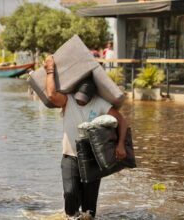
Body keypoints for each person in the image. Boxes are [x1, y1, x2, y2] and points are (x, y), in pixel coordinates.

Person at [44, 56, 127, 218]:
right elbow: (52, 95)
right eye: (79, 99)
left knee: (89, 210)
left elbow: (122, 121)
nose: (80, 102)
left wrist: (121, 145)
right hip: (70, 157)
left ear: (92, 97)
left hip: (92, 160)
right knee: (70, 194)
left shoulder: (101, 104)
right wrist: (50, 70)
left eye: (84, 100)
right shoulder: (68, 100)